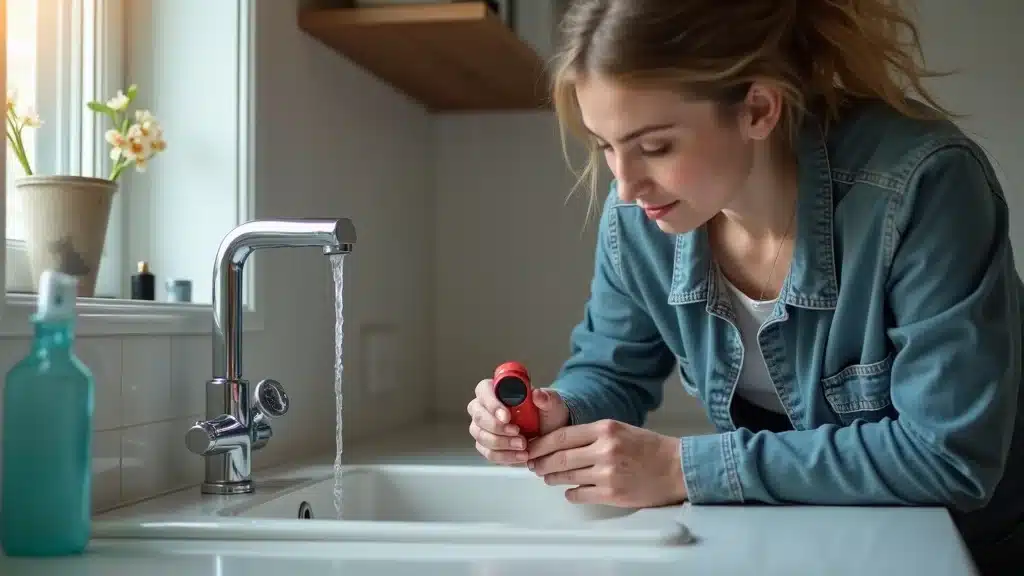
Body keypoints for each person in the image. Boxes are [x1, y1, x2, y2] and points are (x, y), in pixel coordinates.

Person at [465, 0, 1024, 573]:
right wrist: (558, 414)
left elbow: (948, 456)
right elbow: (611, 370)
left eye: (655, 147)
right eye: (607, 146)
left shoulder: (923, 186)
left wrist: (684, 469)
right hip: (804, 541)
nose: (626, 187)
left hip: (971, 551)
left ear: (758, 108)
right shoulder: (639, 219)